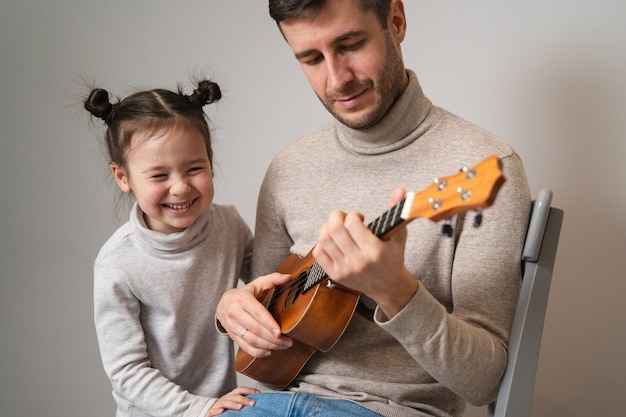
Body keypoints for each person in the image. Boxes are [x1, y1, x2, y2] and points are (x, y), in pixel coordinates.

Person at [216, 1, 532, 416]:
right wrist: (233, 311)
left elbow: (484, 381)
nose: (336, 79)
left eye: (350, 44)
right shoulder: (288, 169)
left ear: (396, 21)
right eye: (311, 59)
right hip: (269, 403)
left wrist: (394, 290)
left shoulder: (481, 164)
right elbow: (269, 321)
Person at [85, 79, 261, 417]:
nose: (180, 187)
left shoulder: (229, 226)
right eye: (158, 175)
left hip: (220, 408)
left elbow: (272, 280)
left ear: (210, 159)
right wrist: (198, 408)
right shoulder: (117, 264)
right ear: (123, 177)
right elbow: (127, 371)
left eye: (194, 168)